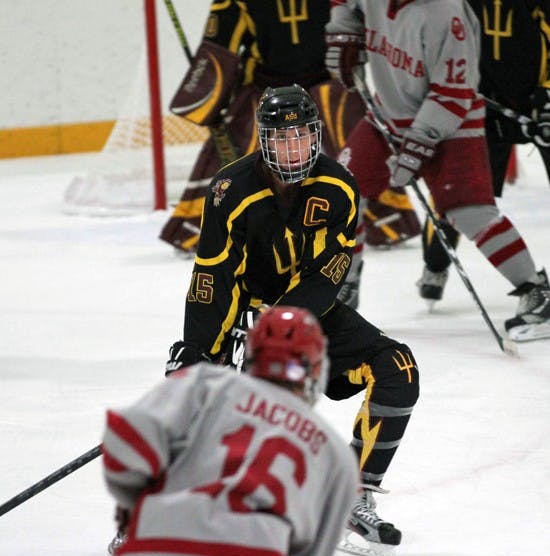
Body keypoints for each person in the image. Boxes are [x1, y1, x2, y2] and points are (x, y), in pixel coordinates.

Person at [165, 84, 420, 556]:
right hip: (245, 310)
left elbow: (330, 273)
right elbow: (213, 275)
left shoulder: (339, 185)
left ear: (315, 136)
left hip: (308, 312)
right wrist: (198, 349)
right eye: (281, 140)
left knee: (398, 369)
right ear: (263, 141)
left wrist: (284, 322)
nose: (292, 149)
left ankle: (354, 494)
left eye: (301, 137)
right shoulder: (230, 188)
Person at [158, 0, 420, 311]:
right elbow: (220, 48)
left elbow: (358, 25)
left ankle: (389, 219)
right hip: (269, 92)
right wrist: (208, 97)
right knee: (236, 148)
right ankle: (198, 227)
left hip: (327, 80)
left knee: (361, 152)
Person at [325, 0, 550, 342]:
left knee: (470, 212)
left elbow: (454, 92)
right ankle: (344, 286)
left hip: (452, 123)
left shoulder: (445, 12)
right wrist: (344, 30)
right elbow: (345, 4)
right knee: (341, 192)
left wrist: (417, 147)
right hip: (387, 115)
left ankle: (536, 291)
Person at [101, 306, 359, 556]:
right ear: (315, 370)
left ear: (249, 355)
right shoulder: (336, 456)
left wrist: (142, 513)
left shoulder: (204, 385)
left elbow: (124, 442)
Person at [417, 0, 550, 320]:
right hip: (482, 107)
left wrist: (547, 93)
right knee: (461, 197)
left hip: (539, 105)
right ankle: (435, 265)